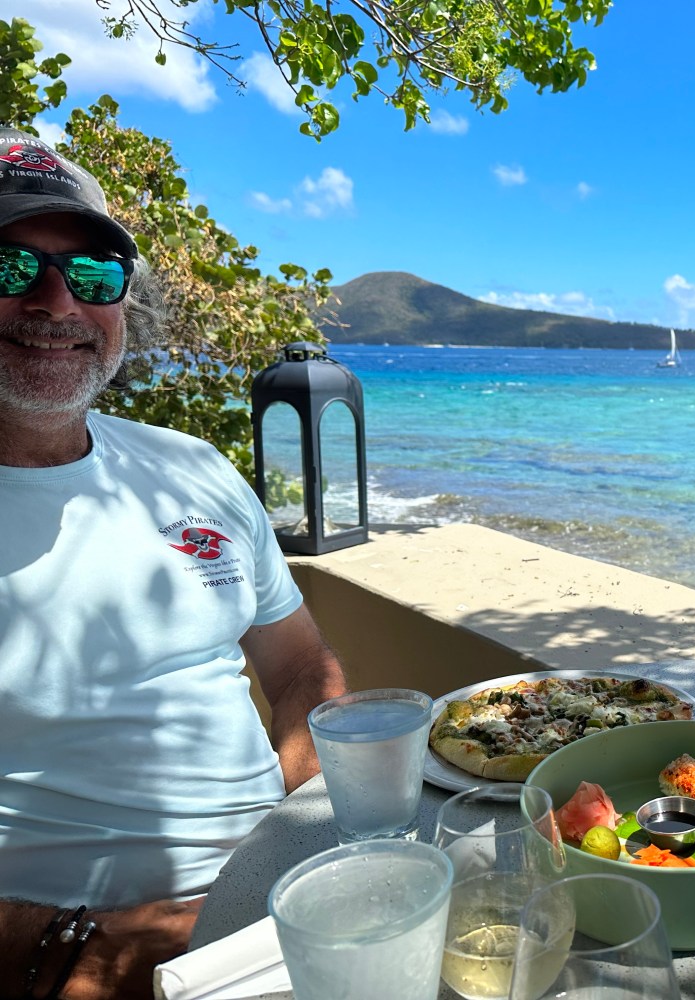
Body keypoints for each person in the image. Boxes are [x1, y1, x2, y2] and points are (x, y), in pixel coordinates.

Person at [0, 128, 348, 998]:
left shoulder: (191, 466)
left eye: (92, 276)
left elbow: (304, 669)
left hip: (283, 919)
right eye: (8, 268)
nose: (55, 303)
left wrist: (301, 839)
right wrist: (83, 946)